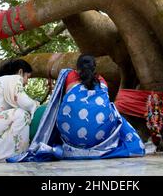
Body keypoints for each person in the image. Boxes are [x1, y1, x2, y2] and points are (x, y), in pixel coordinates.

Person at [8, 54, 145, 162]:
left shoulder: (68, 75)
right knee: (112, 109)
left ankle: (60, 144)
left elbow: (60, 102)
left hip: (71, 137)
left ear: (77, 68)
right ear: (94, 67)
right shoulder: (101, 80)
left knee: (60, 112)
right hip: (100, 137)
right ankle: (134, 144)